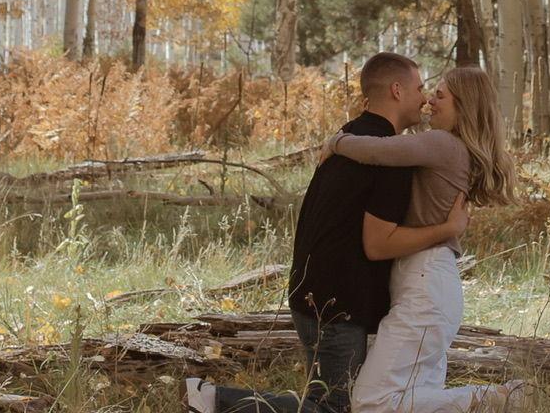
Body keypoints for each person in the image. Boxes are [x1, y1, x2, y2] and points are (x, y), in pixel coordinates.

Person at [185, 53, 468, 413]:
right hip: (339, 302)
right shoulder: (390, 159)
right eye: (419, 88)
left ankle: (209, 399)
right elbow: (378, 244)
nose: (424, 98)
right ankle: (211, 399)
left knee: (329, 402)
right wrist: (446, 230)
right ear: (397, 91)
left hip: (312, 291)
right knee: (335, 407)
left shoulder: (349, 136)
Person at [319, 66, 519, 413]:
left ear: (463, 105)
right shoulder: (453, 148)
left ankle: (492, 400)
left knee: (371, 402)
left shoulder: (443, 144)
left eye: (440, 95)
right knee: (413, 397)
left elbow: (379, 151)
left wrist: (335, 142)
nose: (429, 101)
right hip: (429, 285)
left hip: (425, 287)